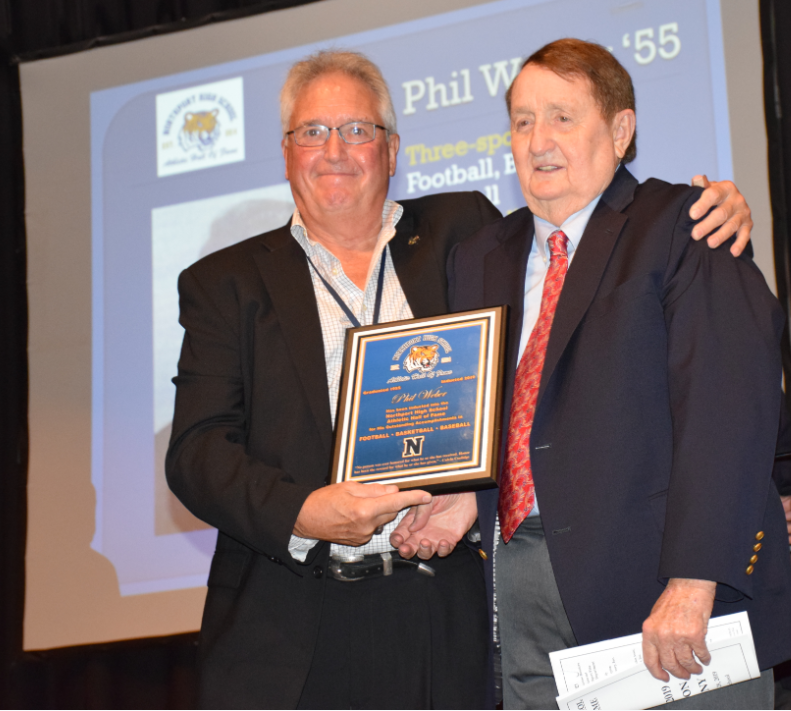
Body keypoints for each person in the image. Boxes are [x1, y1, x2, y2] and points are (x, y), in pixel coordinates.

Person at [166, 48, 757, 709]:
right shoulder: (224, 284)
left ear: (392, 150)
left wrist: (715, 207)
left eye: (357, 129)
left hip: (449, 610)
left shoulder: (465, 234)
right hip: (294, 621)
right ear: (285, 151)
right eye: (312, 131)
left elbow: (584, 348)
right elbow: (196, 452)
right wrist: (303, 512)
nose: (334, 150)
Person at [403, 38, 791, 710]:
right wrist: (468, 494)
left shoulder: (684, 224)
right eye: (522, 121)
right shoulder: (480, 256)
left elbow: (727, 411)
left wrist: (694, 578)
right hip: (519, 585)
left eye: (562, 117)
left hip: (661, 589)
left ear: (619, 130)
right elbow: (505, 412)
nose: (538, 141)